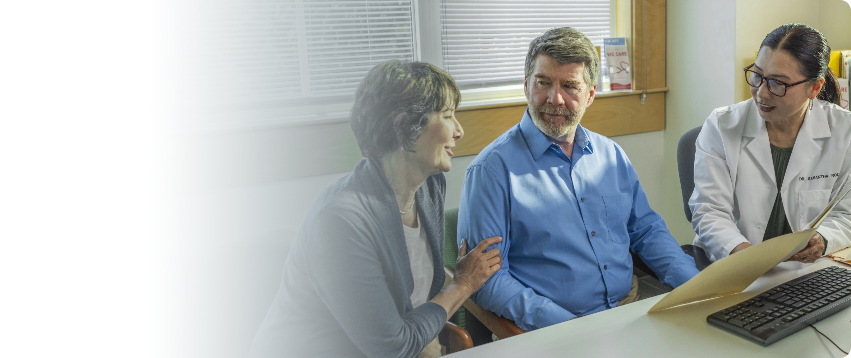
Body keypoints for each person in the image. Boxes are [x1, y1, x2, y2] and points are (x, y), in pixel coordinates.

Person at [249, 60, 503, 358]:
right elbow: (391, 346)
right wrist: (462, 284)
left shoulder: (430, 185)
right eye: (447, 115)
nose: (459, 130)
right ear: (403, 126)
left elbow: (417, 303)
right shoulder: (340, 221)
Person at [456, 27, 699, 332]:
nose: (554, 98)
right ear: (526, 85)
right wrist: (568, 326)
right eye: (543, 83)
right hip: (553, 330)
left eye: (570, 86)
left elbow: (647, 231)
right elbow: (488, 281)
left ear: (590, 95)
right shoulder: (491, 171)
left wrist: (698, 285)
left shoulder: (610, 155)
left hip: (631, 310)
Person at [691, 23, 851, 263]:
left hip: (809, 269)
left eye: (778, 83)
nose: (762, 93)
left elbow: (846, 212)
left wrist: (823, 238)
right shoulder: (721, 126)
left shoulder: (844, 131)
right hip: (737, 266)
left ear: (814, 88)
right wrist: (750, 259)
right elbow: (709, 211)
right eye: (757, 75)